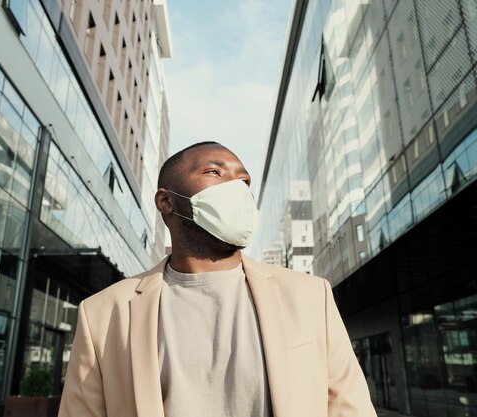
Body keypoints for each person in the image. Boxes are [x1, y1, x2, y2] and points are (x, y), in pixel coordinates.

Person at [58, 142, 376, 417]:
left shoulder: (309, 296)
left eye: (244, 180)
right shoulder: (102, 314)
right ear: (166, 201)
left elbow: (351, 407)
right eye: (214, 172)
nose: (236, 186)